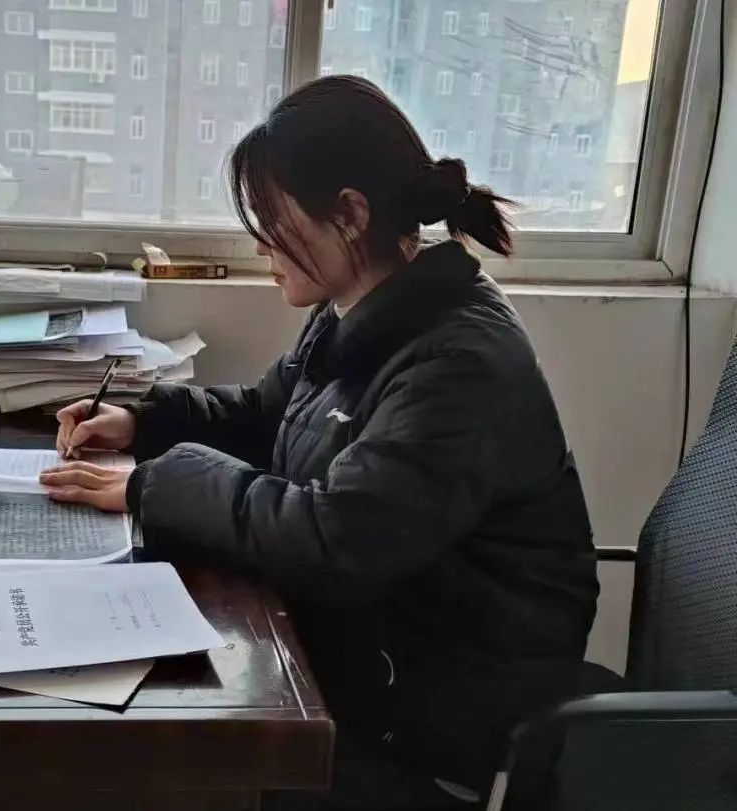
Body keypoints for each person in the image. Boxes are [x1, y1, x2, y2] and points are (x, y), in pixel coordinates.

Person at [40, 76, 599, 810]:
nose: (261, 247)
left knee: (141, 764)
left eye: (274, 223)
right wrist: (146, 421)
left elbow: (338, 539)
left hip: (434, 726)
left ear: (350, 214)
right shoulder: (361, 308)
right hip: (357, 661)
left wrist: (157, 482)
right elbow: (269, 415)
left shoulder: (458, 362)